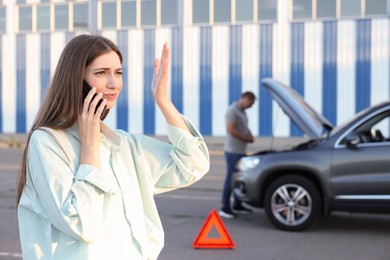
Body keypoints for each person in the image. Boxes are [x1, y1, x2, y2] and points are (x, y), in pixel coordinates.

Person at [16, 34, 210, 260]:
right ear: (76, 79)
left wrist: (163, 100)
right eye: (101, 73)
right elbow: (83, 225)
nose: (114, 83)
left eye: (118, 73)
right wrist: (90, 145)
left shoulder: (124, 145)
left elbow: (193, 165)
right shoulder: (48, 143)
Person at [219, 91, 256, 219]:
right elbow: (231, 129)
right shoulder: (232, 110)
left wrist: (249, 134)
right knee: (231, 179)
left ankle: (237, 204)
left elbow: (244, 127)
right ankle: (225, 207)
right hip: (233, 151)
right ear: (246, 99)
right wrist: (246, 139)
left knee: (239, 178)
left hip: (241, 150)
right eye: (251, 103)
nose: (251, 106)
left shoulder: (242, 112)